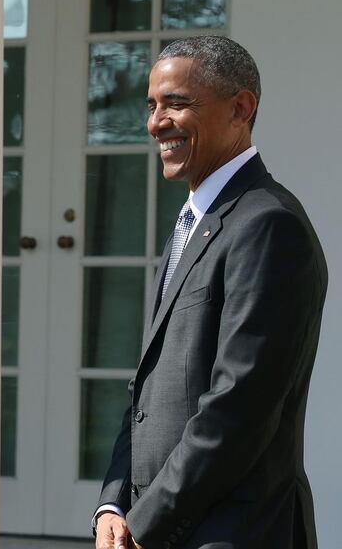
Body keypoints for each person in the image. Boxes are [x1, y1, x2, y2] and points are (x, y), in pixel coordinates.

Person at [94, 36, 326, 549]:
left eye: (177, 103)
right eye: (152, 105)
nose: (156, 122)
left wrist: (144, 521)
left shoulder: (268, 225)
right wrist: (113, 500)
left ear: (241, 108)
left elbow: (237, 409)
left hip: (231, 533)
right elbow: (146, 395)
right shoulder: (192, 224)